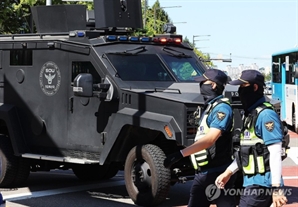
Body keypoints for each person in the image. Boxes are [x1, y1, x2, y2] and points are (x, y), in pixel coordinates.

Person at [164, 68, 237, 207]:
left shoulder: (222, 108)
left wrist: (180, 154)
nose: (201, 85)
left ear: (213, 85)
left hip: (218, 172)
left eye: (204, 82)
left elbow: (210, 139)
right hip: (203, 173)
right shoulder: (210, 106)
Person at [215, 69, 288, 207]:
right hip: (252, 184)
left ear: (255, 87)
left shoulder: (266, 115)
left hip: (262, 185)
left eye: (243, 87)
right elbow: (248, 153)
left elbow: (275, 152)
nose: (239, 92)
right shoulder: (250, 115)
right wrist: (228, 172)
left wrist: (276, 188)